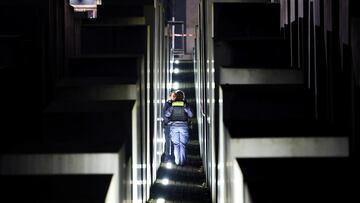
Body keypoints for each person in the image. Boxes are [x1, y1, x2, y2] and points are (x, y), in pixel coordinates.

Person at [164, 90, 193, 166]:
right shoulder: (185, 104)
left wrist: (169, 120)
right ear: (183, 97)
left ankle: (177, 162)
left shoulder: (172, 105)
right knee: (183, 145)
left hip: (174, 127)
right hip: (184, 126)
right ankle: (182, 162)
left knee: (176, 145)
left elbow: (167, 114)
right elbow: (190, 115)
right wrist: (186, 108)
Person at [162, 90, 177, 162]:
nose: (174, 97)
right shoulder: (167, 104)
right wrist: (168, 122)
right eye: (173, 96)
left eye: (175, 96)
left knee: (173, 142)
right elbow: (164, 115)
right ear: (170, 96)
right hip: (168, 126)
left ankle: (172, 157)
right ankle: (167, 157)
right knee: (168, 142)